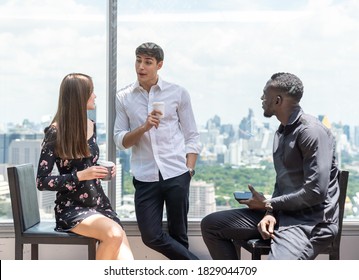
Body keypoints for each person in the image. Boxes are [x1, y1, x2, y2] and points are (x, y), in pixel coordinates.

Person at [201, 72, 340, 260]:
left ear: (277, 100)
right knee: (212, 225)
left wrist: (268, 203)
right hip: (283, 215)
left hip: (309, 223)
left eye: (265, 94)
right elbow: (283, 183)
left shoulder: (311, 132)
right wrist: (270, 212)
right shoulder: (281, 132)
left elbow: (315, 192)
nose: (261, 98)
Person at [114, 42, 201, 260]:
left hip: (176, 174)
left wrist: (189, 170)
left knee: (179, 235)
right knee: (150, 235)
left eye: (148, 62)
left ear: (159, 65)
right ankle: (199, 267)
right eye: (138, 60)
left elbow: (192, 136)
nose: (141, 67)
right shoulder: (124, 97)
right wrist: (144, 127)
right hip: (145, 177)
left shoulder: (178, 93)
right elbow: (120, 140)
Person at [36, 73, 134, 260]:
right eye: (91, 92)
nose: (95, 96)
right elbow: (42, 182)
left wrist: (103, 171)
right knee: (114, 234)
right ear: (79, 97)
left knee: (128, 263)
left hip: (99, 205)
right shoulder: (55, 132)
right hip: (71, 208)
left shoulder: (91, 125)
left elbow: (87, 164)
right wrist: (80, 176)